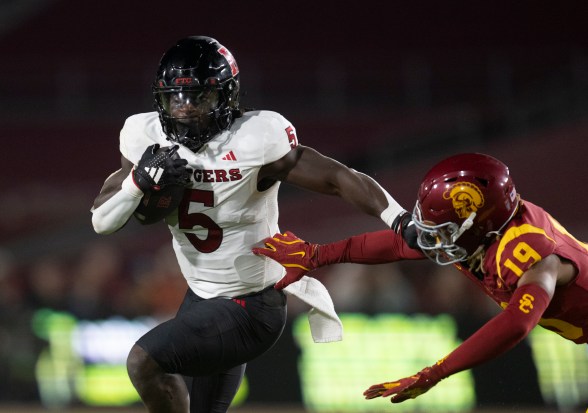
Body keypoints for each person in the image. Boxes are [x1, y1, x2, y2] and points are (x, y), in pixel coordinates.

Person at [90, 36, 411, 413]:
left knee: (143, 362)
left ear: (226, 97)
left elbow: (338, 177)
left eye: (199, 98)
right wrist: (137, 183)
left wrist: (400, 219)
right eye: (175, 98)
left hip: (251, 305)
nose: (185, 109)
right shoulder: (146, 138)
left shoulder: (255, 139)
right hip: (201, 299)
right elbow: (101, 220)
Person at [253, 152, 588, 404]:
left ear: (479, 224)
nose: (431, 239)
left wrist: (435, 373)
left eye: (441, 231)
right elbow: (403, 244)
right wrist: (316, 256)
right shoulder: (485, 229)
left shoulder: (528, 253)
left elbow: (517, 323)